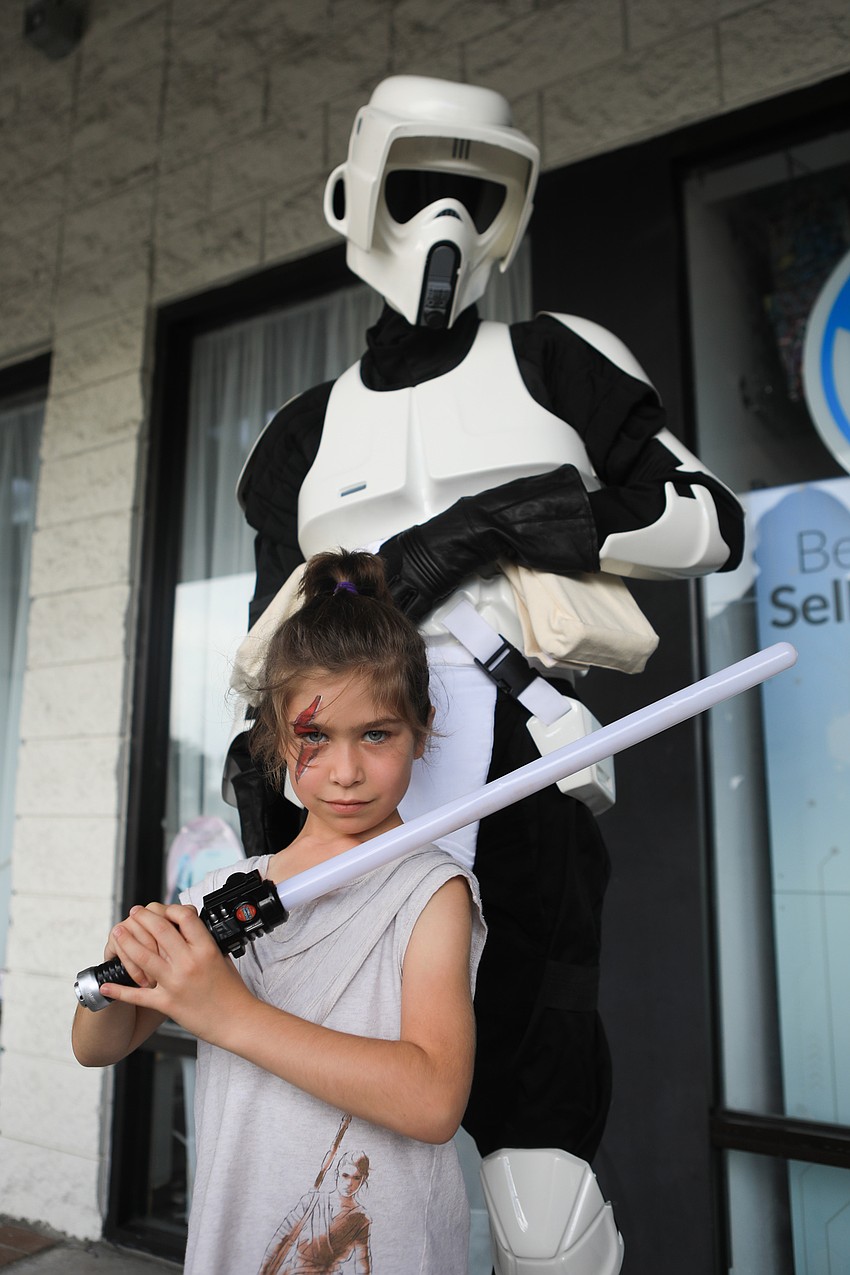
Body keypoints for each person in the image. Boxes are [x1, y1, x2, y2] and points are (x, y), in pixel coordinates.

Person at [229, 73, 746, 1195]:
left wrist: (486, 525)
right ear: (354, 197)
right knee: (330, 1066)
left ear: (513, 209)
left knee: (537, 1128)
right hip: (340, 766)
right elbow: (272, 634)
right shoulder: (301, 431)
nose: (444, 222)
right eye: (417, 188)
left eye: (475, 195)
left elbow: (708, 521)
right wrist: (264, 747)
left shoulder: (553, 359)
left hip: (519, 747)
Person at [72, 549, 486, 1275]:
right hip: (236, 1246)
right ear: (275, 733)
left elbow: (432, 1101)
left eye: (377, 734)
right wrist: (118, 972)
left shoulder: (430, 891)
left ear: (421, 729)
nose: (347, 771)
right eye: (315, 737)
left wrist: (227, 1014)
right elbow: (94, 1046)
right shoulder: (227, 893)